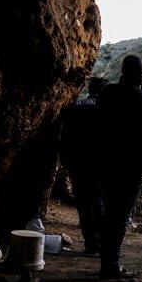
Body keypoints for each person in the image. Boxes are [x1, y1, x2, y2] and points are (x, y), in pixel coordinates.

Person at [97, 55, 142, 279]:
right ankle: (111, 264)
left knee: (109, 212)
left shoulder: (106, 93)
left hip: (107, 162)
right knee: (120, 216)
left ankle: (106, 261)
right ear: (140, 74)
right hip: (129, 167)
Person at [60, 77, 108, 255]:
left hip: (78, 164)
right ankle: (102, 243)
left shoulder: (76, 108)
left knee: (84, 205)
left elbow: (64, 135)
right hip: (101, 165)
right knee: (100, 203)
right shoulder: (108, 110)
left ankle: (90, 243)